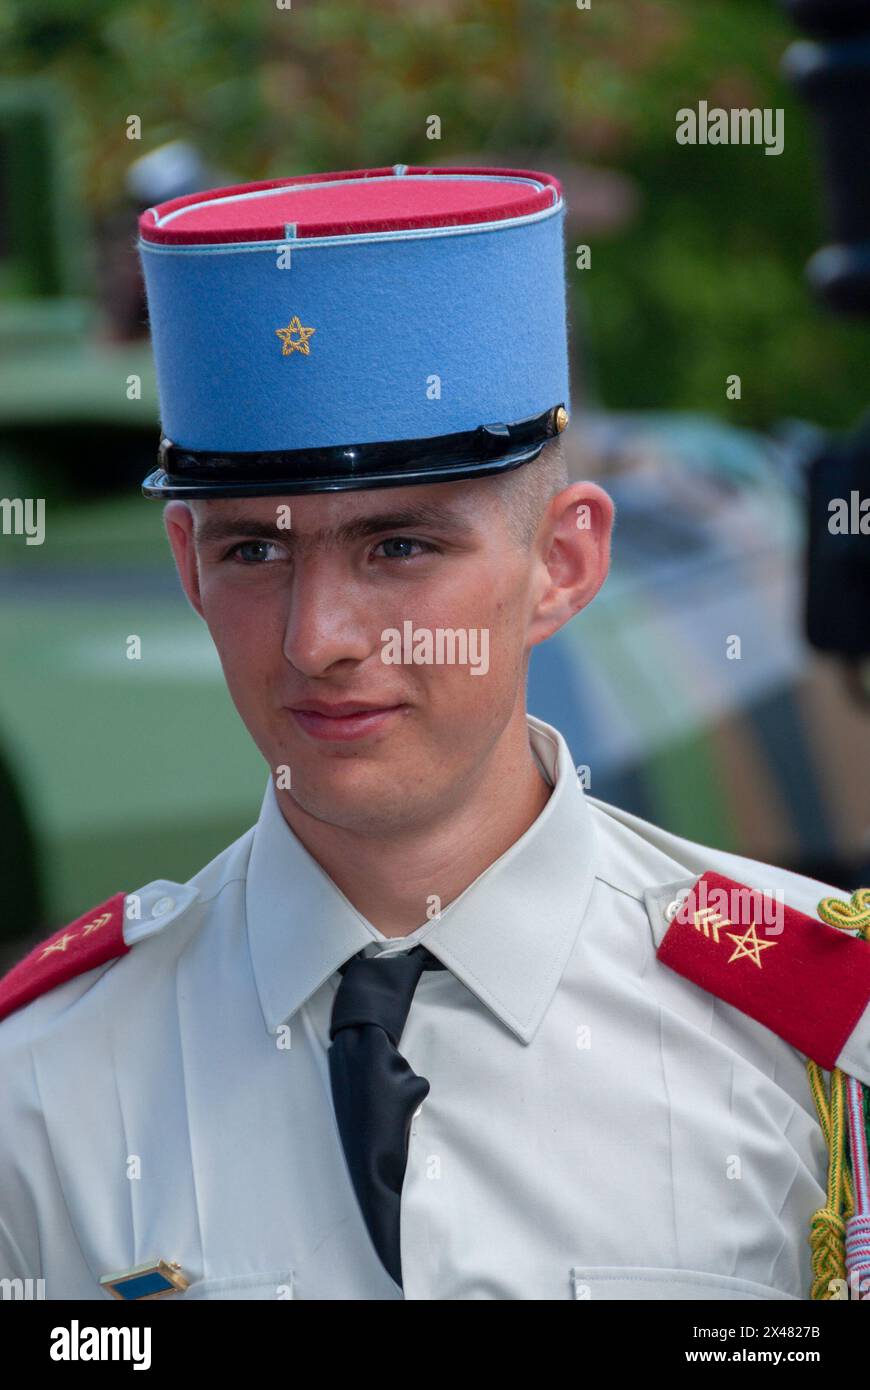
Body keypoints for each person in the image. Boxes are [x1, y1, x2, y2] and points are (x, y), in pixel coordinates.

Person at [1, 165, 869, 1303]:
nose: (318, 640)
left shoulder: (812, 1036)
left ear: (563, 562)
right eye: (253, 551)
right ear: (186, 568)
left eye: (399, 547)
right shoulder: (44, 1086)